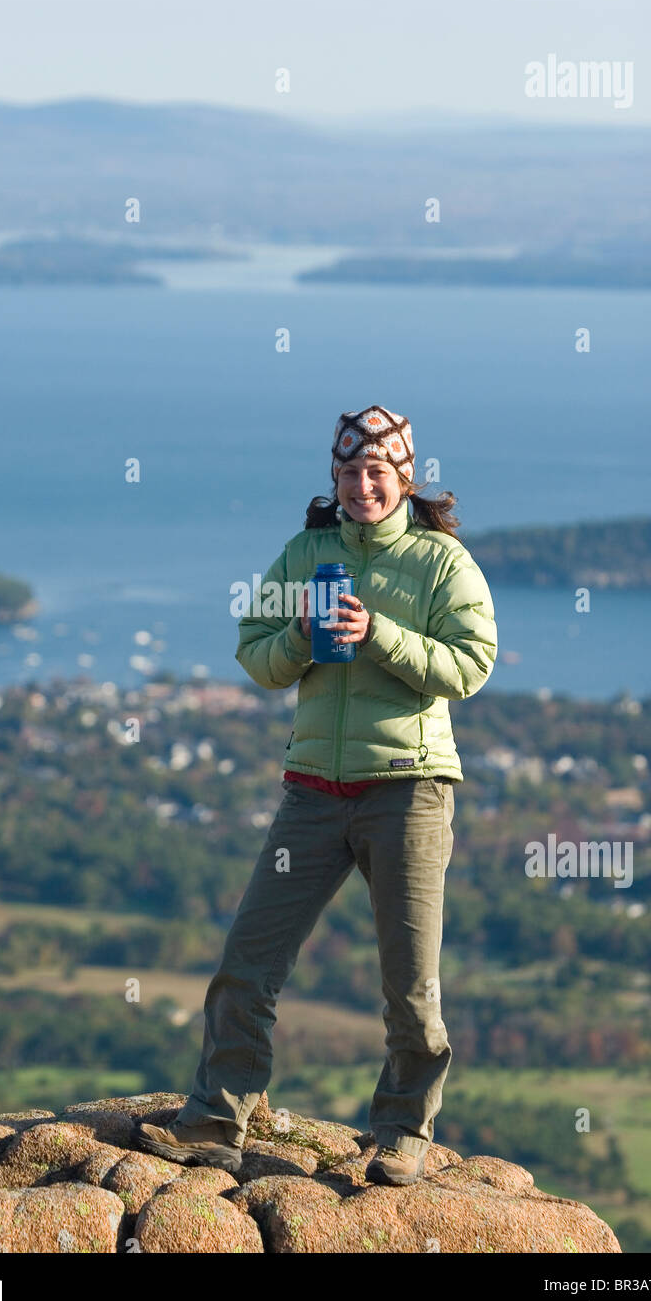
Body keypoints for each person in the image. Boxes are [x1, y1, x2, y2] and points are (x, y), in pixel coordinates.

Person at [134, 405, 498, 1185]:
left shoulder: (442, 564)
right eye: (350, 472)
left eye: (378, 472)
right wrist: (304, 634)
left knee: (411, 980)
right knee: (247, 962)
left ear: (405, 478)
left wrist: (380, 635)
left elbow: (470, 669)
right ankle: (215, 1120)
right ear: (332, 478)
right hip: (311, 793)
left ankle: (403, 1131)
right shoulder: (305, 553)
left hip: (409, 790)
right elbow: (255, 657)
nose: (363, 485)